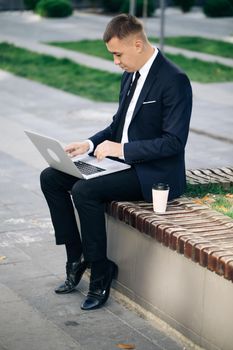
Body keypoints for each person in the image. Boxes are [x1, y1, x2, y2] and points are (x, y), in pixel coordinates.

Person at [40, 14, 192, 311]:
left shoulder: (174, 80)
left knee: (85, 192)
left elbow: (174, 142)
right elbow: (116, 127)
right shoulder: (130, 74)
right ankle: (76, 257)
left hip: (153, 174)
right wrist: (90, 144)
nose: (115, 62)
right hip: (124, 164)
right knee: (51, 177)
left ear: (137, 44)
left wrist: (121, 150)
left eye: (117, 54)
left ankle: (100, 271)